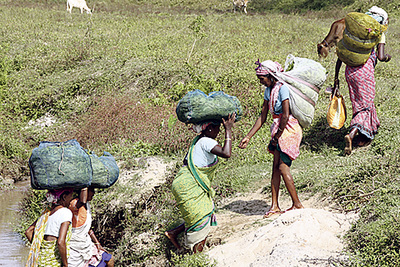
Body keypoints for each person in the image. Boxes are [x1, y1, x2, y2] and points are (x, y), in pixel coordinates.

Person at [239, 60, 304, 218]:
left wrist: (277, 136)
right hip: (278, 129)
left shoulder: (283, 89)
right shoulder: (269, 90)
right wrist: (248, 136)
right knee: (275, 167)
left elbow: (286, 115)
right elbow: (263, 116)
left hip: (288, 129)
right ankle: (274, 205)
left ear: (271, 76)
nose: (261, 82)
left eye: (263, 79)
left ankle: (297, 204)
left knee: (282, 167)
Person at [165, 113, 235, 253]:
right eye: (217, 128)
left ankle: (173, 233)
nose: (218, 131)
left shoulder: (199, 140)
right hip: (189, 185)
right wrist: (228, 129)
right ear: (208, 129)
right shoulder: (206, 141)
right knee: (200, 218)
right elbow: (226, 153)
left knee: (201, 213)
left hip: (184, 183)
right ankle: (196, 257)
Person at [333, 6, 391, 155]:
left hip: (349, 72)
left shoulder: (354, 32)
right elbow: (381, 56)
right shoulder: (378, 33)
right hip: (364, 73)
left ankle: (366, 134)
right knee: (365, 105)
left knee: (358, 103)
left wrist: (336, 77)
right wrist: (387, 58)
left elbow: (341, 53)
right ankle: (352, 134)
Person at [25, 188, 74, 267]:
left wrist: (40, 248)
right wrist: (65, 264)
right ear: (64, 197)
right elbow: (61, 242)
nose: (71, 200)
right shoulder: (65, 212)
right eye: (70, 196)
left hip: (40, 259)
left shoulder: (46, 214)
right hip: (53, 261)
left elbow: (28, 231)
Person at [68, 187, 114, 267]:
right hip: (76, 247)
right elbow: (82, 201)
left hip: (86, 244)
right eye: (92, 190)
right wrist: (84, 185)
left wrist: (97, 243)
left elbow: (87, 229)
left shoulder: (87, 205)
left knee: (109, 259)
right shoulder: (74, 204)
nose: (94, 193)